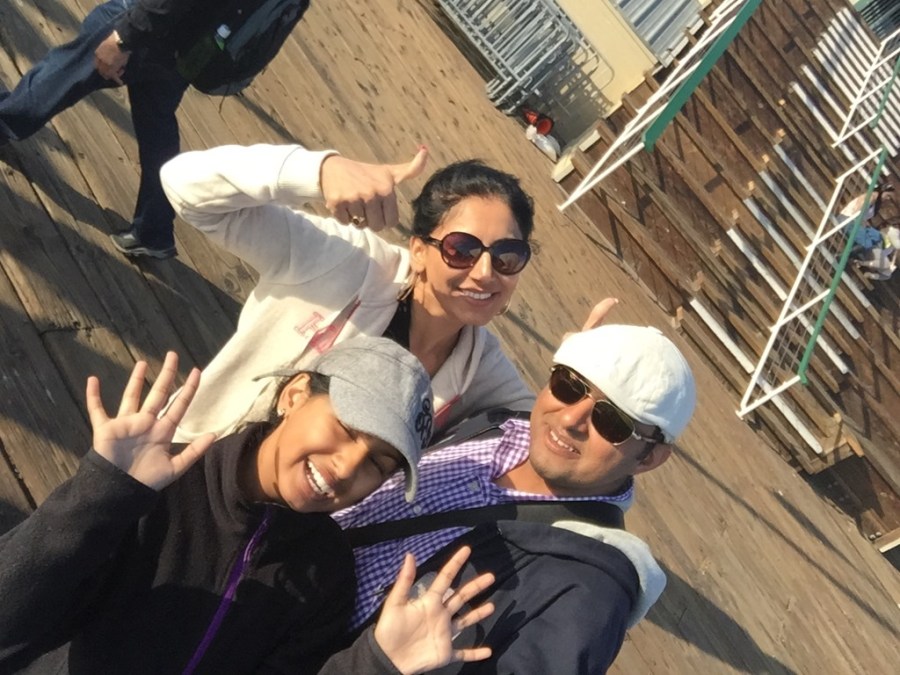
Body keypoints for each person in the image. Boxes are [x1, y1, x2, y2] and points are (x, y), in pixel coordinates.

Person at [0, 337, 496, 674]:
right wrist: (97, 496)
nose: (347, 466)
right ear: (294, 394)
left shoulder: (328, 574)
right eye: (346, 429)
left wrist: (378, 663)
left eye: (377, 464)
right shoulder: (150, 488)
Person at [330, 322, 697, 674]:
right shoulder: (501, 423)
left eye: (613, 421)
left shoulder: (586, 596)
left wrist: (379, 665)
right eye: (569, 385)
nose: (570, 419)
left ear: (650, 458)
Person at [159, 143, 538, 443]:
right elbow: (184, 185)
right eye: (462, 249)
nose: (485, 272)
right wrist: (320, 171)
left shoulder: (481, 369)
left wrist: (570, 367)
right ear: (419, 251)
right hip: (181, 458)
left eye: (507, 255)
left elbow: (541, 432)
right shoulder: (343, 259)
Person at [0, 0, 309, 260]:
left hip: (148, 27)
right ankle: (154, 228)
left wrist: (124, 38)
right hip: (193, 49)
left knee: (63, 73)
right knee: (156, 123)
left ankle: (6, 121)